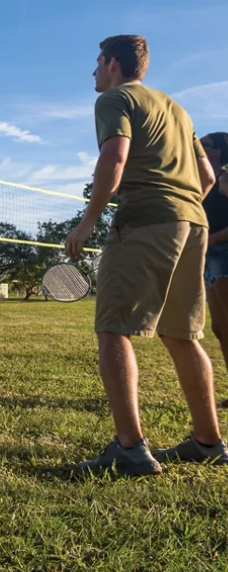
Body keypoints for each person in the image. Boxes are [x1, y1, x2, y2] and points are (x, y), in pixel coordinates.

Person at [65, 35, 228, 475]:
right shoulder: (176, 108)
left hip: (145, 221)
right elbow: (207, 175)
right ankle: (208, 441)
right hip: (193, 222)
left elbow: (115, 157)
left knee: (113, 328)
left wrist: (87, 222)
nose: (94, 71)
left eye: (97, 62)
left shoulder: (114, 99)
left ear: (114, 64)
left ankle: (130, 448)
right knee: (182, 335)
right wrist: (184, 203)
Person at [200, 132, 228, 407]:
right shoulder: (201, 183)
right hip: (209, 258)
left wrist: (210, 239)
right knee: (221, 329)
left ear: (216, 152)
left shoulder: (226, 179)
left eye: (202, 145)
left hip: (224, 254)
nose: (196, 148)